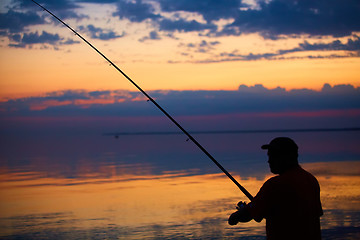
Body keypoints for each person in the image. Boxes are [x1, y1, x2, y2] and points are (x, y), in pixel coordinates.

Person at [228, 137, 323, 240]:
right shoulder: (311, 180)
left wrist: (235, 216)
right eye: (269, 156)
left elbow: (246, 215)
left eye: (273, 156)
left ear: (287, 156)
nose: (269, 161)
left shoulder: (274, 185)